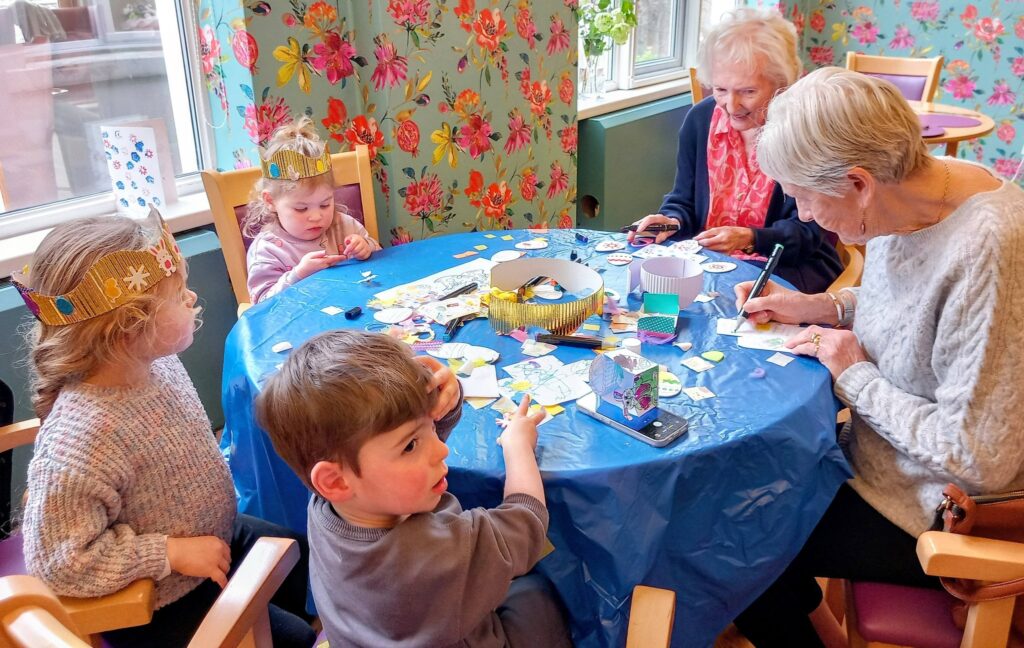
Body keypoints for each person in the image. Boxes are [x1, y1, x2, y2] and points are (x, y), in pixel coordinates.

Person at [730, 67, 1024, 647]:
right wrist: (816, 306)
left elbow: (978, 457)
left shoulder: (990, 248)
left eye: (808, 199)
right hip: (877, 460)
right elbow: (914, 310)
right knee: (740, 490)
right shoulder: (912, 193)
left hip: (943, 506)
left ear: (859, 183)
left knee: (734, 545)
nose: (806, 216)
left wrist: (854, 376)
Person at [15, 212, 316, 648]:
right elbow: (58, 562)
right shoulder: (81, 440)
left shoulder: (155, 362)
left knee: (300, 553)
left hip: (216, 537)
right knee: (297, 639)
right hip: (164, 599)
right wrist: (167, 553)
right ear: (128, 329)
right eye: (178, 294)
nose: (192, 297)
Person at [255, 330, 572, 648]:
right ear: (335, 481)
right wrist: (518, 446)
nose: (441, 451)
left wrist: (436, 409)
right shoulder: (432, 553)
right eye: (410, 445)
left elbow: (391, 462)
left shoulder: (330, 499)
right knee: (538, 591)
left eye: (430, 427)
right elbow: (525, 525)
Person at [627, 8, 841, 293]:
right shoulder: (700, 121)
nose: (731, 105)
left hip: (786, 264)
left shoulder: (805, 129)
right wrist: (671, 221)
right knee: (645, 290)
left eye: (748, 91)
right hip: (710, 262)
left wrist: (751, 238)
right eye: (720, 89)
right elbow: (683, 201)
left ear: (781, 83)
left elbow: (810, 234)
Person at [244, 117, 381, 304]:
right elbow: (261, 306)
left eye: (325, 204)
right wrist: (298, 275)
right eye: (301, 209)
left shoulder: (344, 225)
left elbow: (381, 261)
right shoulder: (268, 250)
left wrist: (366, 247)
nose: (317, 217)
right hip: (300, 329)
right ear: (271, 201)